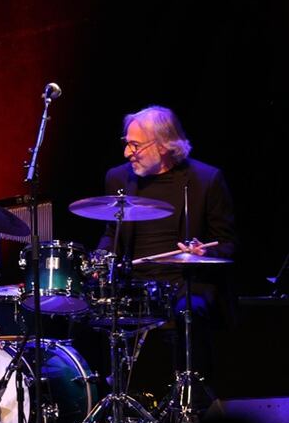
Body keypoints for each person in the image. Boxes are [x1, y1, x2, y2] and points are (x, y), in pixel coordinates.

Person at [94, 105, 235, 385]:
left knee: (189, 310)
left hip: (186, 283)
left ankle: (190, 395)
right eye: (126, 143)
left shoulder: (206, 180)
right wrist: (101, 256)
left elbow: (228, 244)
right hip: (134, 284)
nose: (127, 153)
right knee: (91, 309)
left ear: (163, 146)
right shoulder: (118, 178)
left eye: (135, 145)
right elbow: (112, 232)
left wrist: (204, 252)